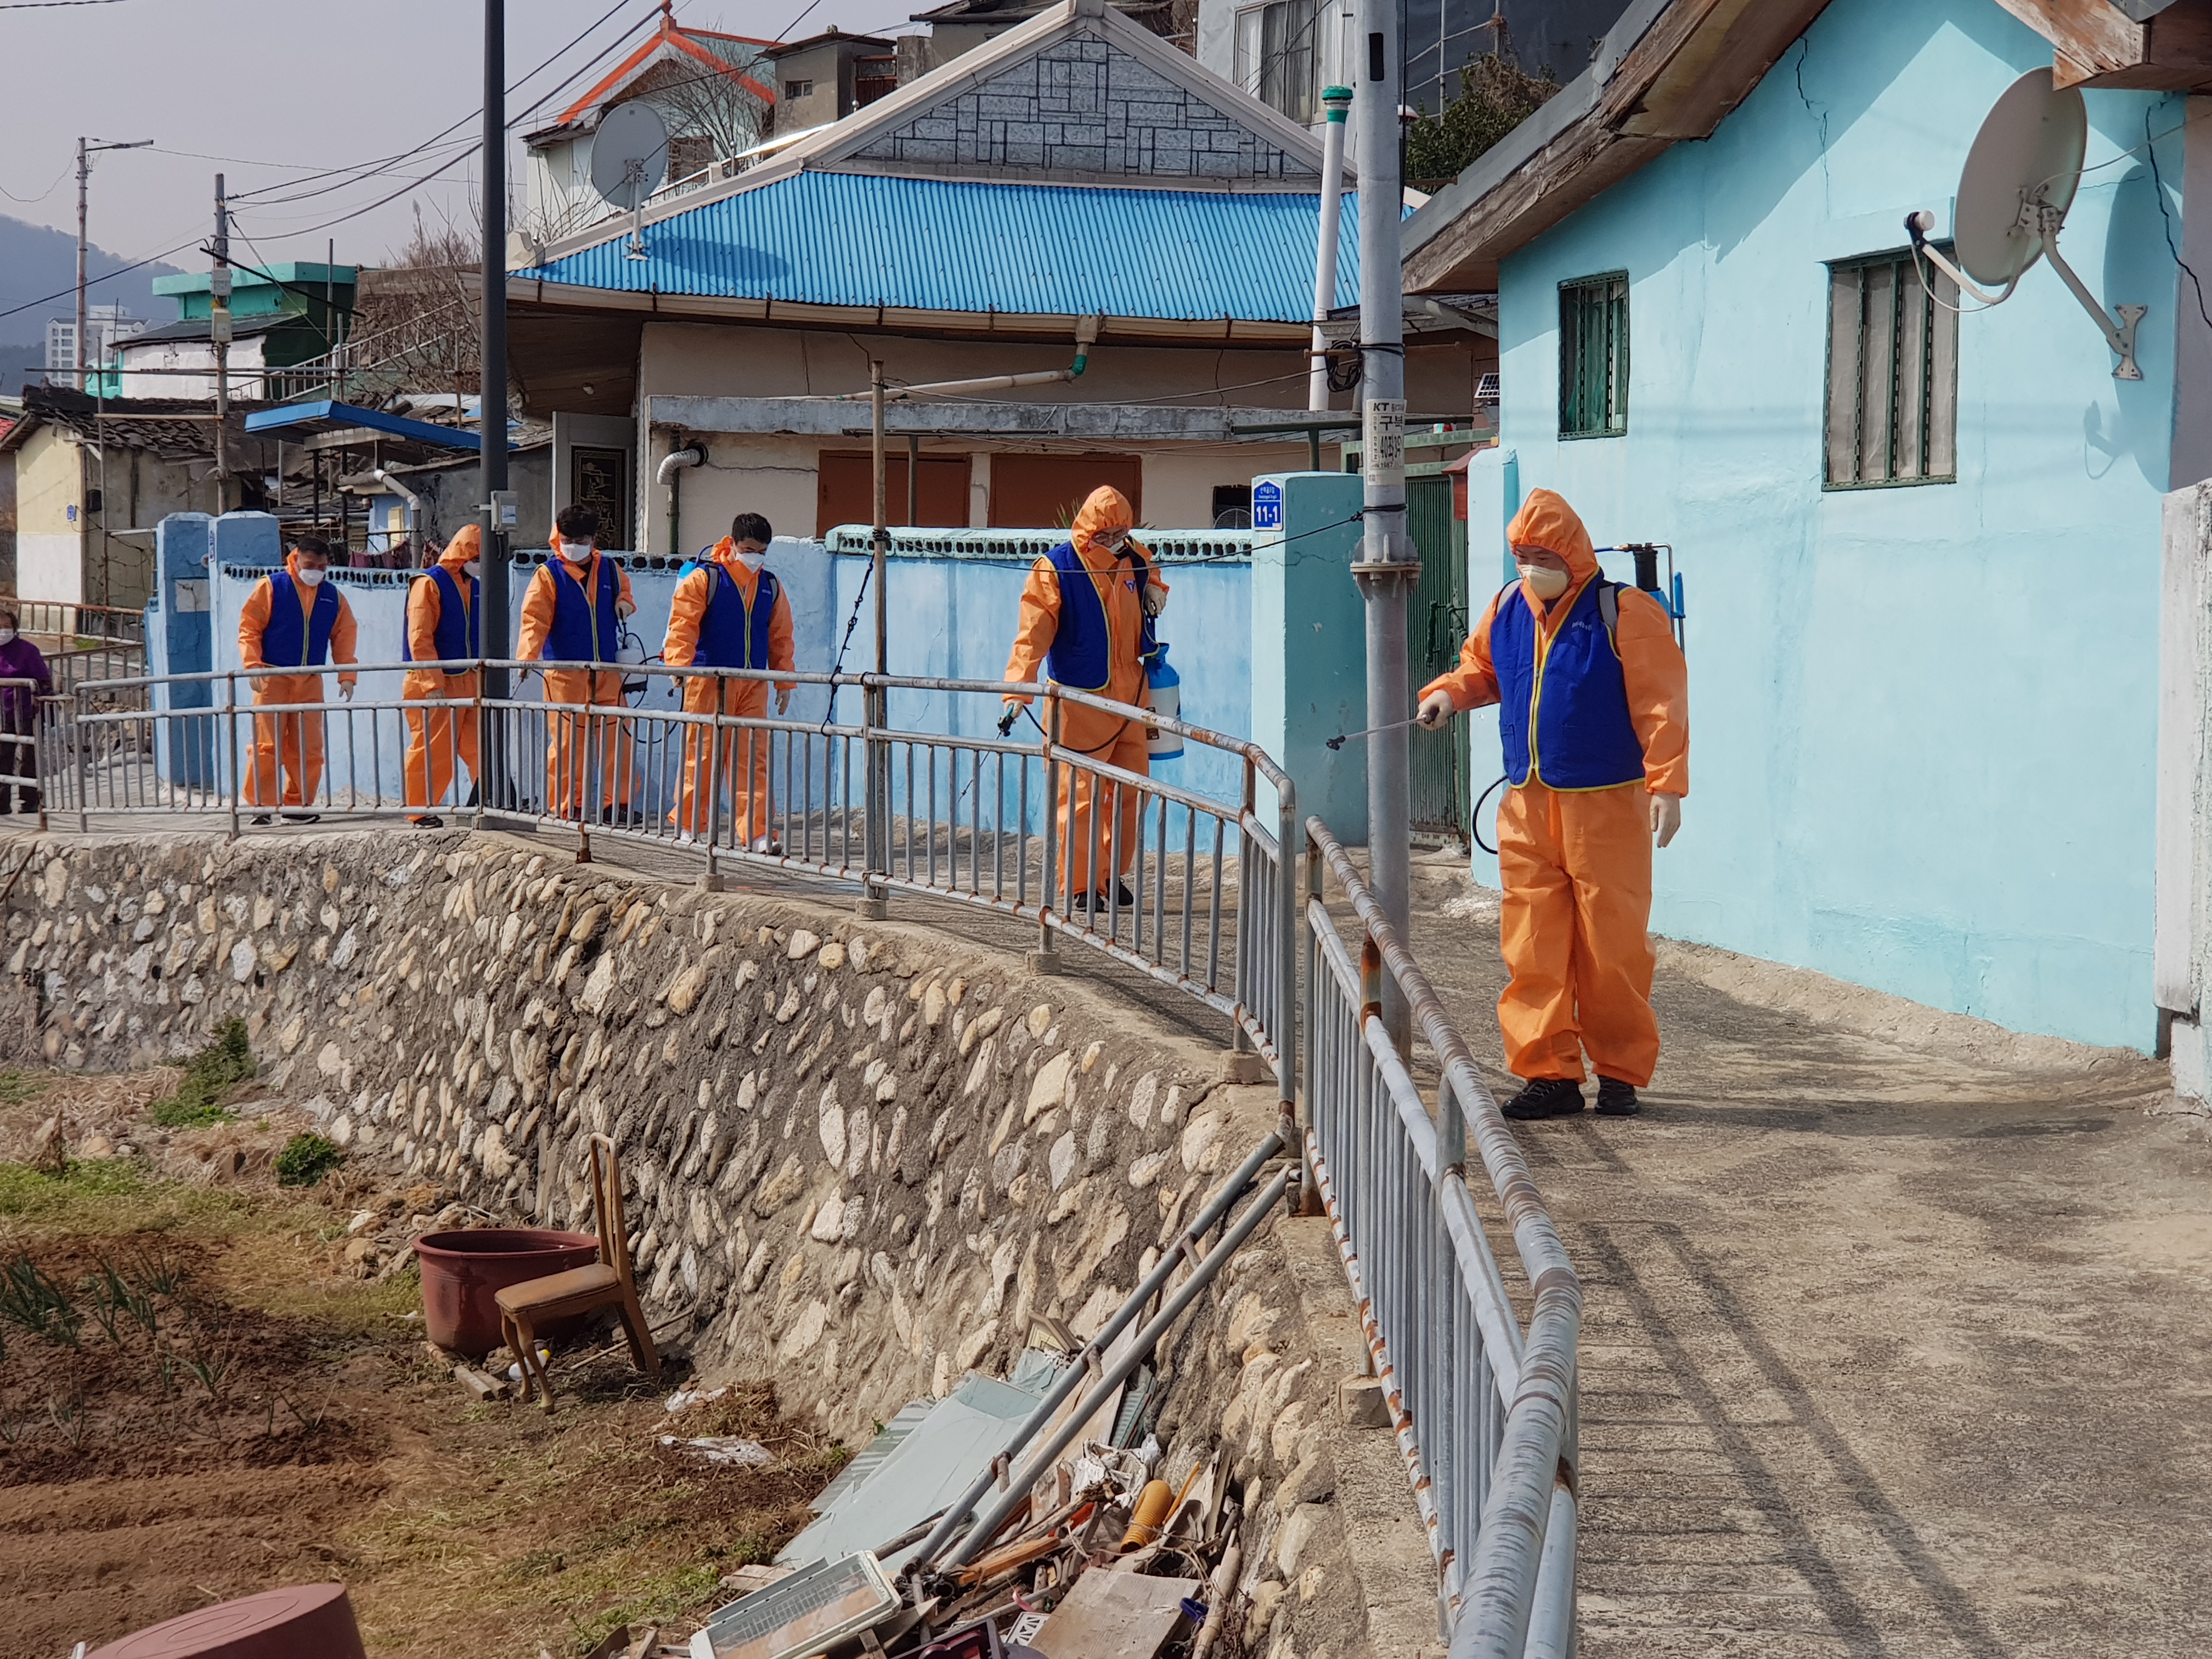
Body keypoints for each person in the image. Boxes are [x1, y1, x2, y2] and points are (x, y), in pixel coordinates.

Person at [1415, 488, 1688, 1120]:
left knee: (1611, 948)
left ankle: (1619, 1073)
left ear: (1571, 552)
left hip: (1606, 807)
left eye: (1542, 553)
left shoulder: (1625, 611)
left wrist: (1666, 784)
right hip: (1528, 805)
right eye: (1523, 553)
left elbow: (1661, 703)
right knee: (1532, 947)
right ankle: (1550, 1075)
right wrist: (1448, 695)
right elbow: (1481, 668)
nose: (1530, 564)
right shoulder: (1509, 607)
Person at [1000, 485, 1168, 911]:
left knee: (1132, 792)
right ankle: (1080, 884)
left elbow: (1156, 579)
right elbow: (1031, 635)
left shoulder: (1135, 559)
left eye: (1121, 530)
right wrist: (1018, 692)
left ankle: (1110, 875)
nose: (1115, 538)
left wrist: (1157, 590)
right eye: (1107, 531)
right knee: (1080, 797)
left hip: (1133, 693)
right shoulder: (1056, 569)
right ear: (1089, 529)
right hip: (1080, 698)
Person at [664, 511, 795, 848]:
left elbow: (781, 637)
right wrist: (679, 667)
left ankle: (758, 832)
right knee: (702, 756)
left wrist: (784, 682)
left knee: (754, 760)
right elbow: (683, 626)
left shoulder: (770, 586)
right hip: (708, 680)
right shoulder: (705, 580)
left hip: (753, 682)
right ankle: (689, 827)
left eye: (762, 551)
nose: (755, 557)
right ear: (734, 544)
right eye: (750, 549)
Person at [516, 504, 636, 821]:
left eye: (582, 539)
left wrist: (625, 602)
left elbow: (625, 591)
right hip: (564, 674)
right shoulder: (548, 574)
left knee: (617, 740)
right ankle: (569, 806)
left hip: (607, 670)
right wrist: (527, 658)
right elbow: (534, 621)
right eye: (569, 538)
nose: (574, 545)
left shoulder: (610, 569)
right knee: (569, 745)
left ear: (594, 539)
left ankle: (619, 804)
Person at [237, 534, 358, 825]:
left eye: (322, 566)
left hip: (310, 679)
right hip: (272, 676)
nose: (315, 570)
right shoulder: (271, 587)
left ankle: (298, 805)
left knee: (309, 747)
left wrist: (347, 675)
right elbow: (250, 627)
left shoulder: (333, 597)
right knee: (267, 745)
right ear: (296, 558)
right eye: (310, 564)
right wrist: (252, 664)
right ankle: (261, 806)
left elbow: (344, 636)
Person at [402, 521, 482, 828]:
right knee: (433, 747)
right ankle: (420, 809)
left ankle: (493, 796)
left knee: (479, 744)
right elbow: (420, 637)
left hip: (467, 679)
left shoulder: (473, 585)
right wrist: (432, 681)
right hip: (434, 683)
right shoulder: (429, 583)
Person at [0, 609, 52, 814]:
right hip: (2, 714)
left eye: (6, 627)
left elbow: (43, 680)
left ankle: (29, 800)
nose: (2, 631)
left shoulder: (27, 651)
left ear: (14, 628)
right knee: (2, 756)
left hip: (26, 711)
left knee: (28, 756)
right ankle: (2, 803)